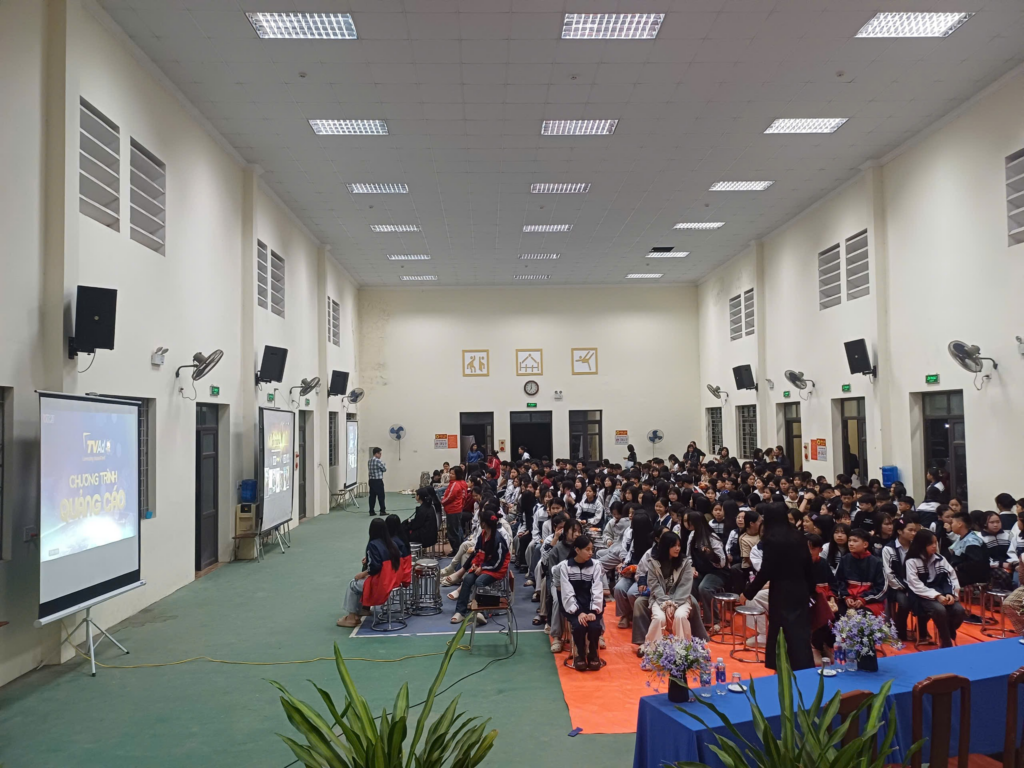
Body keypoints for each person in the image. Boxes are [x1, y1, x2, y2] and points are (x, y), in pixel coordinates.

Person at [744, 503, 815, 671]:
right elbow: (808, 565)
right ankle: (804, 669)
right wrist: (811, 590)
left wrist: (748, 593)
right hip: (800, 588)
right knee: (800, 632)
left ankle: (781, 668)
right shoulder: (798, 536)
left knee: (781, 632)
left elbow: (766, 571)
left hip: (781, 591)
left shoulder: (771, 540)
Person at [905, 529, 965, 648]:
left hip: (942, 592)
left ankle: (947, 634)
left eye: (935, 543)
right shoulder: (911, 561)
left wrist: (950, 593)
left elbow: (951, 577)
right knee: (940, 610)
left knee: (959, 611)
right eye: (930, 543)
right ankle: (946, 642)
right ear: (921, 544)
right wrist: (936, 596)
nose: (934, 546)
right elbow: (915, 585)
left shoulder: (941, 559)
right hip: (920, 595)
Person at [338, 518, 402, 627]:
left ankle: (352, 617)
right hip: (392, 581)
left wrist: (363, 574)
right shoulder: (392, 544)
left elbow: (375, 567)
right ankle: (361, 611)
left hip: (381, 584)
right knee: (360, 583)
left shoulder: (373, 545)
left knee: (353, 584)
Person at [451, 510, 510, 625]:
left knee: (479, 581)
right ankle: (460, 612)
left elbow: (498, 563)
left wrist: (482, 567)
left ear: (484, 523)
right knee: (467, 579)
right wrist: (475, 564)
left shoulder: (498, 540)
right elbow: (478, 552)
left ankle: (481, 612)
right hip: (483, 567)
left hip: (496, 570)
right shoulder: (482, 535)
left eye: (480, 521)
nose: (479, 523)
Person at [643, 531, 700, 645]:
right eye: (674, 546)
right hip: (659, 599)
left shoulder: (685, 563)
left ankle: (684, 648)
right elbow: (654, 586)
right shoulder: (653, 563)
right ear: (665, 546)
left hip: (681, 599)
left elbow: (685, 586)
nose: (677, 548)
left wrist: (674, 604)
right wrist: (666, 604)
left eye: (679, 545)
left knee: (680, 616)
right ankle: (652, 648)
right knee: (659, 618)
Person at [559, 534, 605, 672]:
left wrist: (592, 611)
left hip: (592, 606)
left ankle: (593, 654)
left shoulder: (596, 565)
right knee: (579, 626)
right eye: (587, 549)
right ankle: (580, 654)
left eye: (592, 549)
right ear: (577, 550)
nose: (591, 552)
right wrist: (578, 612)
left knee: (594, 626)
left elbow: (597, 589)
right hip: (573, 607)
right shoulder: (565, 566)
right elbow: (567, 592)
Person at [882, 516, 923, 642]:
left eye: (915, 530)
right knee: (905, 602)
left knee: (926, 601)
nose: (913, 533)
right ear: (900, 531)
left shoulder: (917, 548)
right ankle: (900, 631)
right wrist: (905, 588)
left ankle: (922, 631)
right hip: (896, 587)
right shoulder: (889, 549)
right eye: (910, 530)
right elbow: (889, 574)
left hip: (915, 585)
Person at [835, 529, 886, 616]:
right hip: (847, 599)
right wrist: (846, 596)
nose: (850, 544)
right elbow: (838, 582)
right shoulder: (844, 559)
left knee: (864, 616)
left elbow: (882, 588)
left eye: (855, 541)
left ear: (865, 544)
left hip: (870, 601)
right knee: (836, 614)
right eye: (849, 540)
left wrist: (863, 599)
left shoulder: (876, 563)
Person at [441, 466, 468, 553]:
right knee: (458, 529)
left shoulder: (455, 484)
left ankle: (456, 550)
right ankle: (460, 548)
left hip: (453, 510)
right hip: (458, 509)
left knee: (452, 532)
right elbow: (464, 497)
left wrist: (442, 502)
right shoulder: (463, 483)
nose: (450, 475)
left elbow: (450, 497)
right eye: (450, 473)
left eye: (452, 474)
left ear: (457, 475)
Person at [367, 447, 387, 516]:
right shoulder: (378, 461)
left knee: (372, 497)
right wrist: (384, 464)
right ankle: (382, 511)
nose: (380, 455)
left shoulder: (369, 461)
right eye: (380, 453)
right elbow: (384, 469)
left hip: (371, 480)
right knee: (381, 496)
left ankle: (371, 511)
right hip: (378, 481)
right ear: (376, 453)